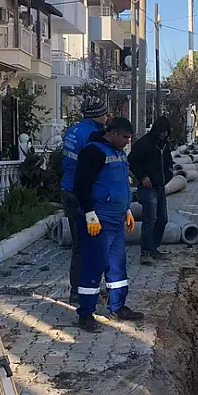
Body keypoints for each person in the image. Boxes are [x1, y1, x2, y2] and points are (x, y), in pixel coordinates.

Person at [72, 117, 145, 331]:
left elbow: (121, 184)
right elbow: (81, 185)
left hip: (116, 219)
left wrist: (127, 210)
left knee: (117, 265)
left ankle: (118, 306)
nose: (127, 142)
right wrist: (89, 213)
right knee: (94, 266)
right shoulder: (93, 152)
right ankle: (85, 313)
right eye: (124, 137)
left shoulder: (118, 153)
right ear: (112, 133)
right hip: (99, 220)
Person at [60, 96, 110, 304]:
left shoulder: (72, 130)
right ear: (99, 115)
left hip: (67, 190)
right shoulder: (93, 135)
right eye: (105, 112)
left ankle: (80, 288)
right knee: (88, 244)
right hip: (82, 193)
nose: (107, 116)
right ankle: (82, 291)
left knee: (79, 244)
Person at [128, 116, 173, 264]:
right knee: (150, 219)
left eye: (166, 132)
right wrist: (142, 177)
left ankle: (154, 248)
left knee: (162, 219)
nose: (163, 135)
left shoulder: (165, 145)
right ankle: (145, 252)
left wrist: (168, 176)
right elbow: (132, 162)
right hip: (147, 189)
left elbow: (168, 163)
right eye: (161, 132)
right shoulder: (144, 144)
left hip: (160, 187)